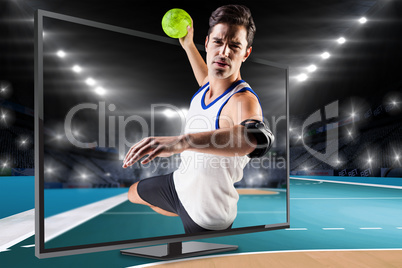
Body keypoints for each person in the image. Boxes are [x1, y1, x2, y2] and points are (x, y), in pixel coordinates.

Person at [123, 5, 273, 234]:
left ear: (246, 53)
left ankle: (190, 215)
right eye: (217, 42)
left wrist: (182, 142)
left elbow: (254, 139)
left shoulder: (242, 100)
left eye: (234, 46)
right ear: (207, 42)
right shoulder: (207, 88)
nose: (224, 52)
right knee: (133, 193)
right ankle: (180, 207)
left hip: (208, 211)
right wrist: (188, 45)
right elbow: (206, 78)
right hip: (180, 185)